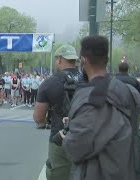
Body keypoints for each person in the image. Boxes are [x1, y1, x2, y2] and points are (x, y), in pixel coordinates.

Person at [61, 36, 140, 180]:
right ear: (106, 59)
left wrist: (67, 136)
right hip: (128, 170)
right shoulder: (127, 90)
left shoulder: (92, 98)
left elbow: (76, 147)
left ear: (83, 60)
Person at [33, 45, 81, 180]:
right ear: (74, 60)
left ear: (59, 59)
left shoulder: (49, 83)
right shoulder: (88, 79)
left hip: (60, 137)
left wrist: (42, 123)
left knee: (58, 174)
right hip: (85, 136)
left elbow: (38, 116)